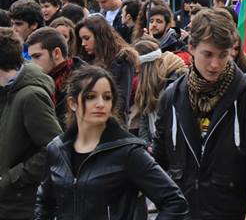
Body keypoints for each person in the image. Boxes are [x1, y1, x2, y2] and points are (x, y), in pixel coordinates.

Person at [153, 8, 246, 220]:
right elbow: (158, 162)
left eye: (223, 55)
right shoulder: (172, 96)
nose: (215, 64)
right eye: (208, 54)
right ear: (192, 48)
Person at [35, 65, 189, 219]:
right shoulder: (57, 149)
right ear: (72, 103)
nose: (101, 104)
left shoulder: (128, 151)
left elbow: (174, 202)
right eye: (91, 96)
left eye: (107, 97)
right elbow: (44, 203)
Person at [0, 27, 62, 220]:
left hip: (19, 205)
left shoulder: (30, 96)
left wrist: (11, 178)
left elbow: (54, 149)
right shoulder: (6, 91)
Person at [76, 15, 138, 120]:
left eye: (87, 38)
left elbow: (122, 101)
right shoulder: (85, 60)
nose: (83, 44)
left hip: (113, 123)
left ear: (100, 37)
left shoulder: (122, 60)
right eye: (81, 39)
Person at [132, 39, 186, 151]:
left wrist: (157, 147)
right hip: (154, 148)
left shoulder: (176, 80)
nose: (136, 72)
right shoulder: (147, 85)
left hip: (173, 150)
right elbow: (145, 117)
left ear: (145, 66)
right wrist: (146, 144)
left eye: (137, 67)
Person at [26, 26, 86, 125]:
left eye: (37, 56)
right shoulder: (37, 81)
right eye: (30, 58)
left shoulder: (84, 81)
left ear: (56, 53)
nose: (32, 63)